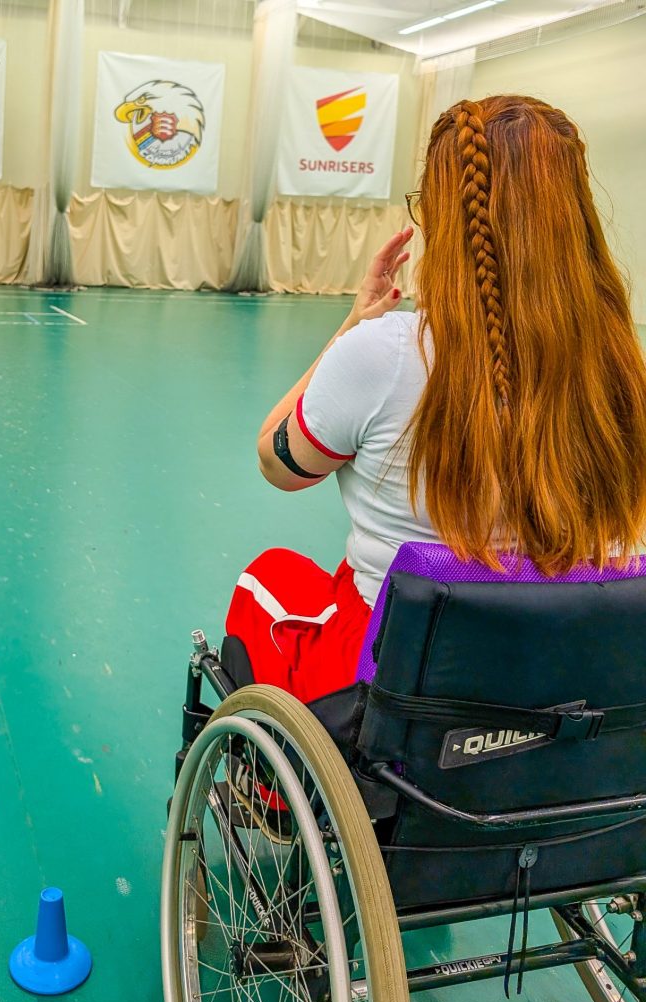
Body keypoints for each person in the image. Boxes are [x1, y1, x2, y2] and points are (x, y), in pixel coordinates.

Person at [228, 95, 646, 706]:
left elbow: (277, 463)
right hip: (572, 680)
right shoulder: (622, 365)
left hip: (404, 685)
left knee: (270, 577)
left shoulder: (384, 353)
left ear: (447, 220)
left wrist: (351, 325)